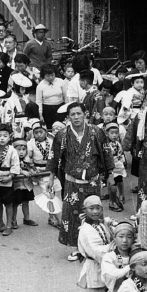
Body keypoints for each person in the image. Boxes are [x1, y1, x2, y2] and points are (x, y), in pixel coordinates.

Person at [47, 103, 113, 259]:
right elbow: (54, 157)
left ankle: (96, 246)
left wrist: (110, 175)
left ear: (85, 114)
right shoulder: (62, 135)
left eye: (79, 113)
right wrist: (51, 178)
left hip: (92, 181)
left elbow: (107, 153)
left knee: (94, 213)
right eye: (72, 114)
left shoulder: (97, 132)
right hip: (72, 182)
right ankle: (77, 247)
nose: (76, 117)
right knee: (73, 215)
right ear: (68, 117)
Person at [74, 195, 112, 292]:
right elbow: (96, 252)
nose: (96, 211)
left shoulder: (99, 224)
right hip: (95, 270)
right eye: (91, 208)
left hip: (103, 268)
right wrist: (115, 248)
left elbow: (107, 237)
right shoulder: (86, 230)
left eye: (98, 208)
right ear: (85, 210)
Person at [0, 124, 20, 236]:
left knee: (8, 203)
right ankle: (1, 223)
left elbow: (15, 164)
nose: (2, 138)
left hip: (8, 178)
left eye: (5, 136)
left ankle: (9, 225)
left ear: (10, 137)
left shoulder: (12, 150)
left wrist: (10, 176)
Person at [11, 138, 37, 227]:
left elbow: (32, 168)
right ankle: (13, 220)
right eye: (19, 150)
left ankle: (27, 218)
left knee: (26, 201)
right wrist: (22, 172)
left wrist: (32, 171)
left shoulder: (28, 160)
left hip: (27, 185)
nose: (21, 152)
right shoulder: (13, 159)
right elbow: (13, 168)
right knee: (15, 203)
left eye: (23, 149)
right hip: (17, 185)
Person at [36, 65, 67, 130]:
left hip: (60, 107)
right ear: (43, 75)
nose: (50, 77)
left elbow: (66, 97)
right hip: (47, 110)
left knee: (61, 127)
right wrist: (40, 114)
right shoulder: (40, 86)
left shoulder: (61, 82)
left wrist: (68, 109)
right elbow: (39, 101)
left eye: (52, 75)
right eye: (47, 76)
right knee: (50, 128)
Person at [106, 123, 126, 211]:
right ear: (107, 133)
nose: (114, 135)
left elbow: (121, 153)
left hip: (118, 165)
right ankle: (112, 200)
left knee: (120, 180)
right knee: (112, 184)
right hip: (110, 166)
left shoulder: (118, 143)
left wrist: (122, 160)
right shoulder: (106, 145)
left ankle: (121, 195)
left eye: (116, 133)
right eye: (112, 133)